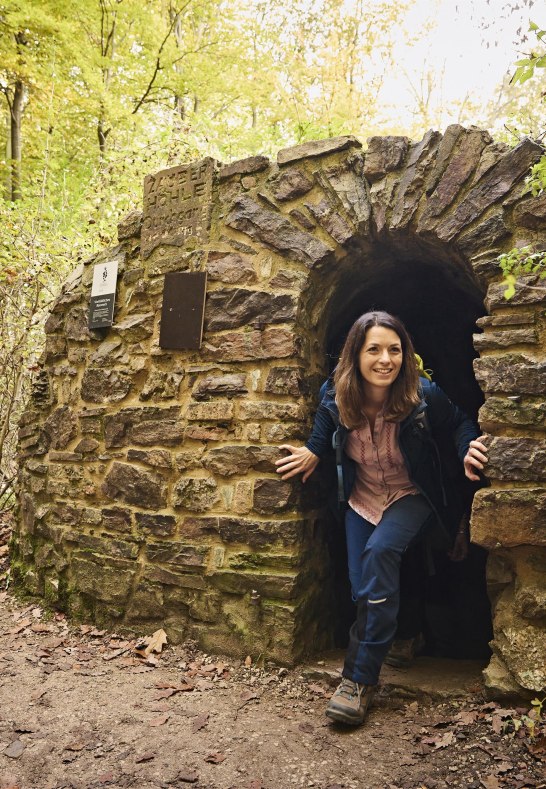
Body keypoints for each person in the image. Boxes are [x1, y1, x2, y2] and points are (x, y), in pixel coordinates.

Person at [275, 311, 488, 727]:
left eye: (394, 349)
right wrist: (312, 452)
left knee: (379, 553)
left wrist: (468, 448)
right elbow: (322, 432)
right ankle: (407, 634)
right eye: (374, 349)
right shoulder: (335, 395)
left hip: (412, 494)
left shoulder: (422, 394)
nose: (385, 359)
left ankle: (357, 682)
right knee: (363, 588)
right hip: (363, 498)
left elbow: (460, 420)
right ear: (356, 355)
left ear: (406, 355)